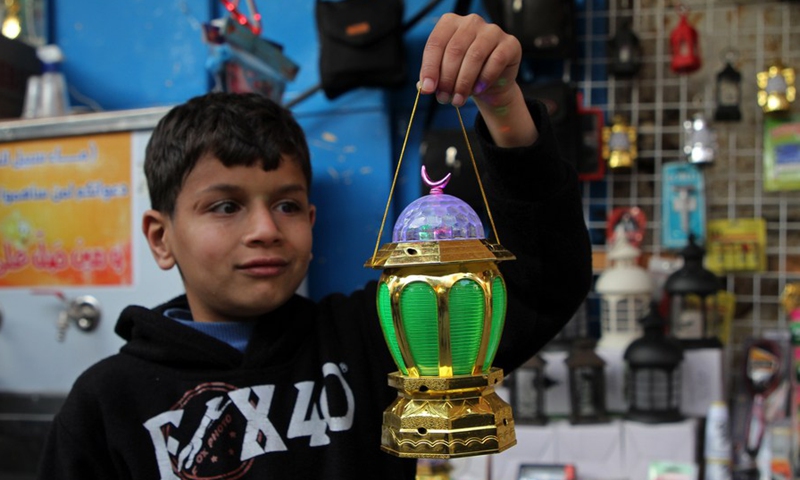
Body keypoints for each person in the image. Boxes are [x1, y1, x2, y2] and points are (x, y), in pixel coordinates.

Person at [37, 13, 592, 480]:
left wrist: (502, 107)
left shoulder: (377, 342)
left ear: (312, 218)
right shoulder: (106, 405)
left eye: (287, 205)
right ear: (162, 238)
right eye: (226, 206)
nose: (265, 230)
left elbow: (539, 284)